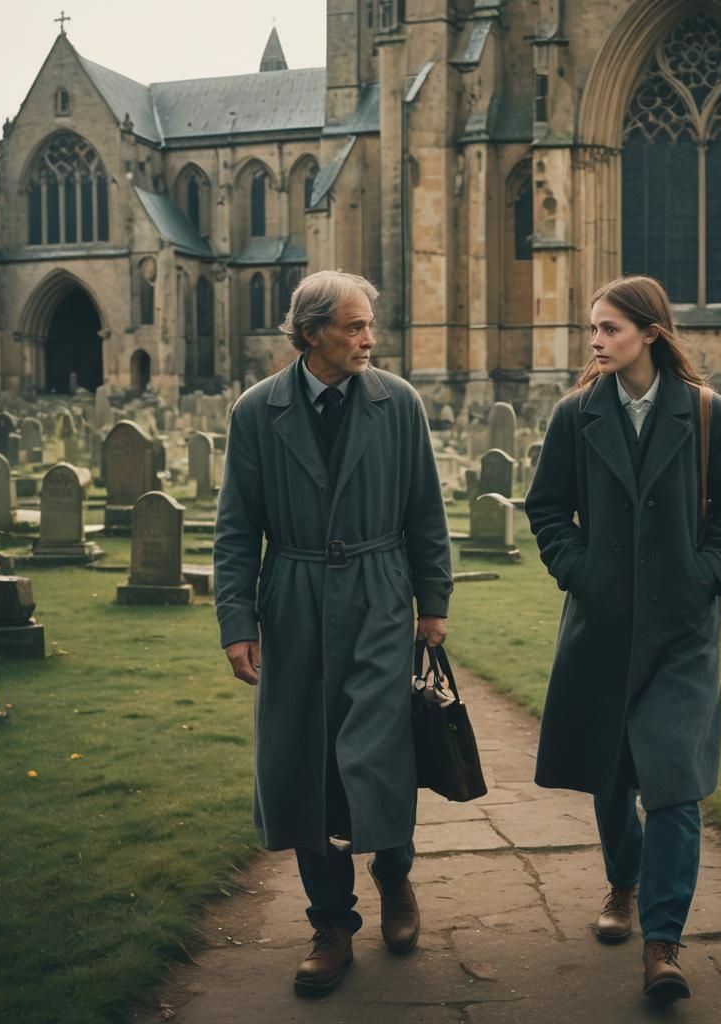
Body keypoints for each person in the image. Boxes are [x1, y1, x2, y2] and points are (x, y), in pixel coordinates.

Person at [213, 271, 453, 997]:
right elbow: (235, 529)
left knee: (381, 748)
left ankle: (395, 875)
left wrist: (432, 603)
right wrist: (237, 620)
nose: (368, 339)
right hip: (294, 599)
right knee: (305, 761)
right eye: (354, 327)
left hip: (381, 596)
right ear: (311, 332)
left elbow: (426, 511)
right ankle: (331, 924)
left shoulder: (398, 403)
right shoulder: (258, 412)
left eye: (369, 325)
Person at [524, 275, 721, 1004]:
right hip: (601, 627)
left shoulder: (706, 413)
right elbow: (546, 510)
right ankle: (621, 880)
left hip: (682, 631)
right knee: (611, 773)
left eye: (609, 330)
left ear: (650, 333)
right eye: (593, 329)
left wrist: (702, 579)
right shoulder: (575, 415)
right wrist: (582, 574)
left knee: (674, 786)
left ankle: (663, 942)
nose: (595, 342)